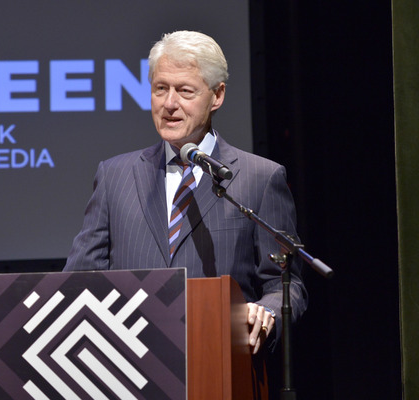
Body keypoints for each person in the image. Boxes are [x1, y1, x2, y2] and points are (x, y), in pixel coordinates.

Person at [64, 30, 307, 353]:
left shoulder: (260, 178)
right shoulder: (115, 176)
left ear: (217, 95)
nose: (169, 104)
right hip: (128, 365)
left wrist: (267, 312)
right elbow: (78, 280)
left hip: (218, 358)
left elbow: (285, 285)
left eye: (185, 91)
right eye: (160, 88)